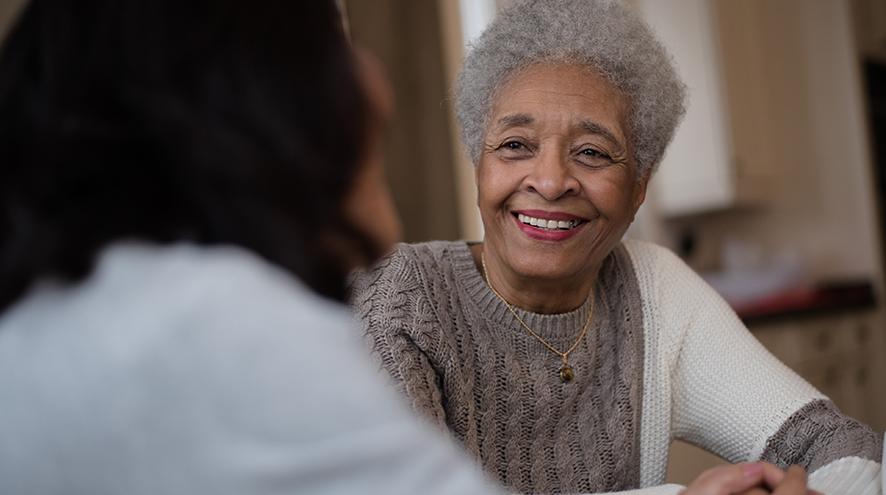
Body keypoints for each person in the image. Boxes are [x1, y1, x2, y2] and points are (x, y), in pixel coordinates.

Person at [349, 0, 884, 494]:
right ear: (480, 166)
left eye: (592, 152)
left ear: (638, 189)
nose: (552, 180)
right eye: (515, 145)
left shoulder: (654, 289)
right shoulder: (400, 297)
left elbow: (841, 446)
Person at [0, 0, 506, 493]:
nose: (374, 81)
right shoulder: (212, 329)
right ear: (256, 98)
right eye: (328, 43)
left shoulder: (46, 322)